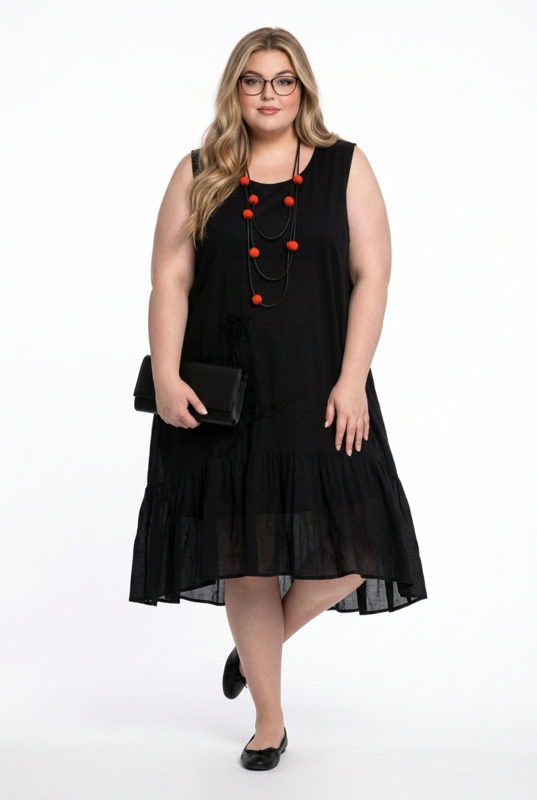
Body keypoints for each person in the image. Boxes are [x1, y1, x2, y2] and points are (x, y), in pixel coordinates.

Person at [129, 26, 428, 771]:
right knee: (247, 560)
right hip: (225, 394)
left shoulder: (345, 165)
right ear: (235, 89)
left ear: (303, 90)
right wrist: (165, 373)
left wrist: (352, 378)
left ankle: (254, 649)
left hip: (321, 386)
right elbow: (169, 277)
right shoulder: (199, 171)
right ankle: (268, 720)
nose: (269, 94)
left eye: (283, 80)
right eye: (254, 80)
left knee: (359, 544)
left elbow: (373, 274)